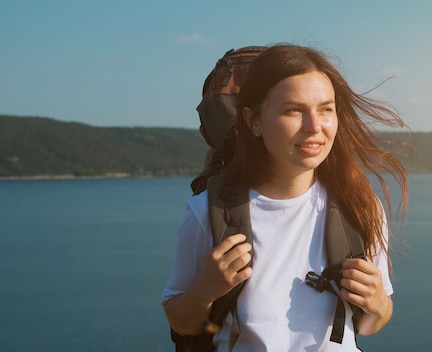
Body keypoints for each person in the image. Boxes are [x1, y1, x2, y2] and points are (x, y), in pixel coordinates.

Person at [162, 44, 409, 351]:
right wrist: (204, 291)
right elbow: (182, 321)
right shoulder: (208, 213)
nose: (314, 127)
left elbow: (367, 325)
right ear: (253, 122)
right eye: (294, 110)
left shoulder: (358, 205)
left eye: (326, 109)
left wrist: (379, 305)